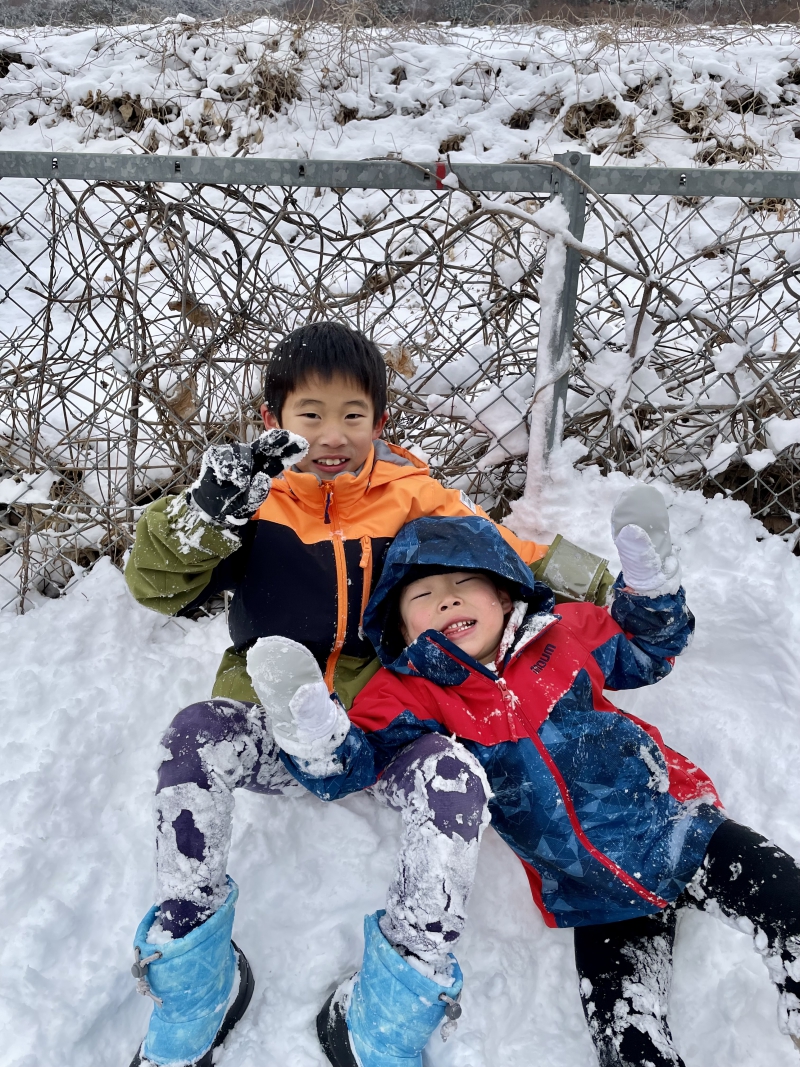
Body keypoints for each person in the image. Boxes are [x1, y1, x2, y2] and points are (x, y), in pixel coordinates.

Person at [123, 321, 615, 1067]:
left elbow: (501, 551)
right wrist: (203, 511)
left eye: (353, 415)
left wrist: (609, 582)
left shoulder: (410, 495)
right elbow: (154, 586)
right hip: (274, 724)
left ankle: (391, 1006)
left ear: (380, 423)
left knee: (456, 782)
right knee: (192, 734)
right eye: (309, 414)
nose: (332, 433)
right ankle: (196, 984)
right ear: (273, 420)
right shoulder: (248, 504)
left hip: (384, 728)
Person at [253, 505, 800, 1067]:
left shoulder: (562, 634)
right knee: (630, 1045)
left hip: (678, 825)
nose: (447, 599)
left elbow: (647, 649)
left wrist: (649, 586)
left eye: (467, 582)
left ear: (507, 594)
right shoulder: (409, 694)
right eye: (423, 596)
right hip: (591, 896)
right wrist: (315, 731)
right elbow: (357, 766)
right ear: (401, 629)